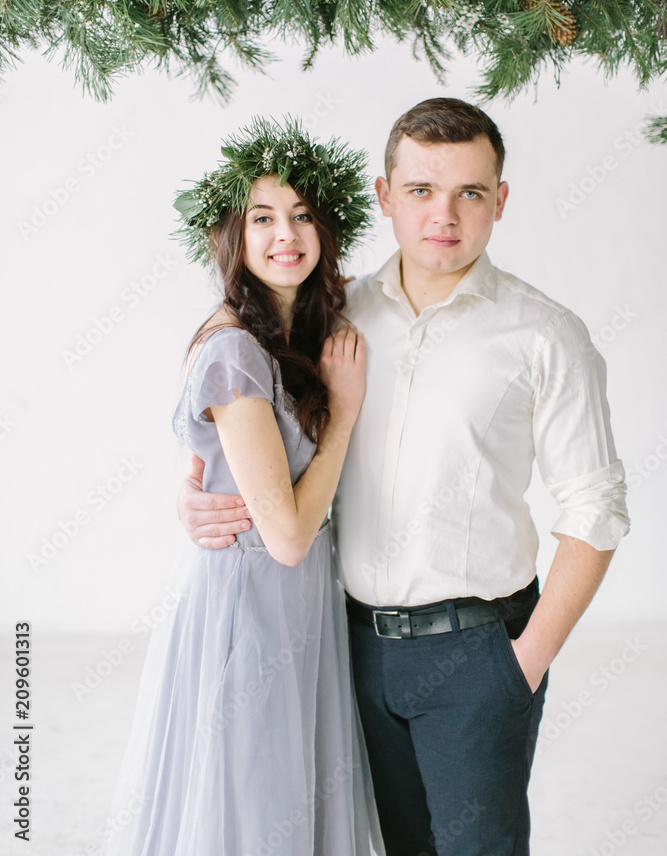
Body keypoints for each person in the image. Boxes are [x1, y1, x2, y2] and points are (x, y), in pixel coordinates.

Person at [178, 98, 630, 856]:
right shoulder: (333, 316)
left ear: (500, 201)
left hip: (478, 653)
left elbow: (596, 506)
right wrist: (198, 499)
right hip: (345, 650)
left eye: (469, 193)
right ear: (385, 197)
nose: (443, 215)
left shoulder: (544, 335)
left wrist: (523, 663)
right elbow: (259, 433)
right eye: (420, 190)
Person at [100, 117, 386, 856]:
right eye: (261, 218)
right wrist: (346, 412)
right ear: (231, 235)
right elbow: (288, 536)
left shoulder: (301, 335)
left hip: (299, 614)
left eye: (299, 216)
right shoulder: (234, 351)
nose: (283, 234)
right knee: (254, 816)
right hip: (250, 615)